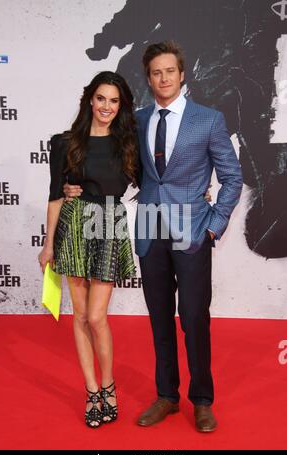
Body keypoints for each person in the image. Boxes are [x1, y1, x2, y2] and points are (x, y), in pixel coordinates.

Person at [64, 41, 243, 432]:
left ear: (182, 75)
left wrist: (214, 224)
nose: (163, 78)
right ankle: (166, 396)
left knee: (194, 317)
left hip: (192, 229)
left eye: (169, 71)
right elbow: (108, 161)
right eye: (156, 73)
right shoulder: (137, 121)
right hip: (148, 226)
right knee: (159, 317)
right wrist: (74, 186)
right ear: (149, 79)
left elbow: (232, 178)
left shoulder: (208, 120)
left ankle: (201, 400)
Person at [38, 71, 138, 428]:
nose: (106, 107)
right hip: (75, 225)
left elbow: (155, 181)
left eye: (114, 101)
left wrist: (198, 192)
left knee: (97, 317)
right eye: (101, 99)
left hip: (110, 223)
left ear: (120, 105)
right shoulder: (67, 143)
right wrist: (49, 244)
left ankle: (109, 385)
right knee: (79, 317)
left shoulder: (129, 143)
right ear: (89, 100)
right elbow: (54, 194)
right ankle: (92, 390)